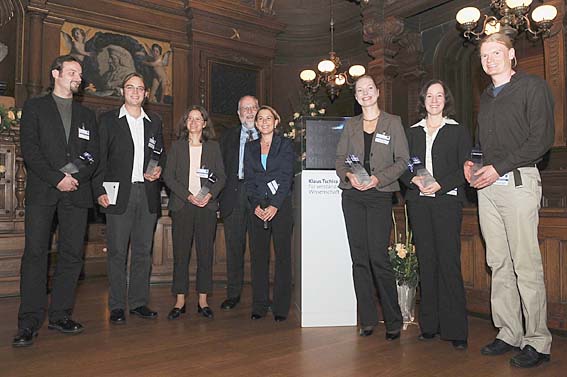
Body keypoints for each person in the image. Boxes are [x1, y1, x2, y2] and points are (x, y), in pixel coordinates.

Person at [464, 33, 554, 368]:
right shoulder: (486, 97)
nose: (490, 60)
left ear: (511, 54)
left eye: (496, 53)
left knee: (525, 264)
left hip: (518, 182)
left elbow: (541, 140)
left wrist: (497, 167)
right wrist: (471, 162)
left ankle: (538, 340)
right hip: (486, 188)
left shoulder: (533, 87)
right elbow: (480, 142)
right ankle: (509, 332)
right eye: (485, 55)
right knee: (498, 263)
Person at [13, 55, 99, 347]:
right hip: (43, 192)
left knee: (72, 255)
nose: (78, 77)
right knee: (36, 254)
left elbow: (92, 154)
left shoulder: (87, 115)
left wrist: (72, 175)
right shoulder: (35, 107)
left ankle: (61, 314)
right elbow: (30, 149)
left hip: (77, 191)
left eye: (80, 74)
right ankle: (29, 321)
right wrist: (56, 178)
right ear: (56, 74)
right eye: (72, 72)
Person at [400, 79, 472, 350]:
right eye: (429, 95)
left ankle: (456, 330)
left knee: (449, 263)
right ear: (423, 100)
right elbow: (404, 164)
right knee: (427, 263)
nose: (434, 100)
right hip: (419, 202)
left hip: (446, 202)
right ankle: (429, 325)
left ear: (446, 100)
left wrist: (441, 184)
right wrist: (413, 180)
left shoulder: (458, 131)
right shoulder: (412, 132)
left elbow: (465, 168)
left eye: (439, 95)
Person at [335, 74, 408, 340]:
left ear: (377, 92)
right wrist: (349, 177)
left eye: (369, 89)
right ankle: (367, 319)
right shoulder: (350, 126)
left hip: (379, 194)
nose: (365, 93)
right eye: (359, 90)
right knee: (359, 259)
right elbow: (339, 160)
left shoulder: (393, 122)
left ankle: (393, 319)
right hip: (352, 196)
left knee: (378, 258)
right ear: (355, 96)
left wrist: (378, 178)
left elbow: (402, 161)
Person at [92, 72, 165, 324]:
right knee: (116, 252)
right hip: (117, 194)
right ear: (122, 91)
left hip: (147, 194)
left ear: (146, 94)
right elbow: (99, 159)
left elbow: (159, 154)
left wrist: (159, 168)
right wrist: (98, 190)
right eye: (130, 87)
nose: (135, 92)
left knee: (144, 251)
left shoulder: (154, 121)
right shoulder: (108, 120)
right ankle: (115, 306)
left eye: (140, 88)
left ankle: (138, 303)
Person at [163, 105, 226, 320]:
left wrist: (209, 195)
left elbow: (221, 176)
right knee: (181, 255)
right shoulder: (177, 147)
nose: (194, 122)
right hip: (182, 205)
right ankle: (180, 301)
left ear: (205, 123)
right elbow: (168, 177)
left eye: (198, 119)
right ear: (186, 123)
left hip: (206, 207)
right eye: (190, 119)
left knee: (205, 254)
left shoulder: (214, 148)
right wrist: (188, 195)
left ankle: (203, 300)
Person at [244, 105, 294, 322]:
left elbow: (286, 177)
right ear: (256, 123)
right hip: (257, 208)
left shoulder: (285, 145)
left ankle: (281, 307)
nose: (264, 122)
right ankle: (260, 305)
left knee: (282, 258)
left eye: (268, 118)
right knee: (258, 258)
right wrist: (256, 205)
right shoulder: (251, 147)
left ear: (276, 122)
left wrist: (274, 205)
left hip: (280, 207)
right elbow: (249, 179)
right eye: (260, 119)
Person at [218, 95, 260, 310]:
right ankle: (233, 294)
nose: (249, 112)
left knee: (259, 249)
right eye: (245, 108)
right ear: (238, 113)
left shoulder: (269, 135)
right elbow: (219, 169)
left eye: (253, 108)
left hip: (260, 198)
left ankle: (260, 297)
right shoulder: (227, 137)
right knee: (234, 248)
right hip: (233, 196)